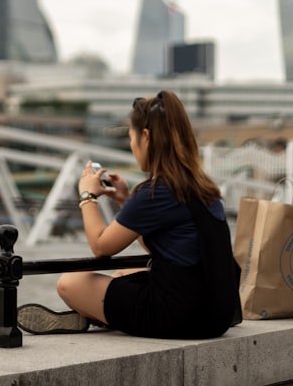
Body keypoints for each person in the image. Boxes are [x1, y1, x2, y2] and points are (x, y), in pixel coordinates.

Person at [16, 90, 240, 339]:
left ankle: (91, 315)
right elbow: (166, 247)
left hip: (181, 317)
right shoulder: (203, 187)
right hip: (217, 314)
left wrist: (87, 196)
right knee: (123, 274)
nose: (132, 146)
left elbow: (101, 246)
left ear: (146, 137)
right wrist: (125, 201)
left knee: (71, 283)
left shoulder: (156, 190)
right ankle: (95, 315)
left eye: (131, 138)